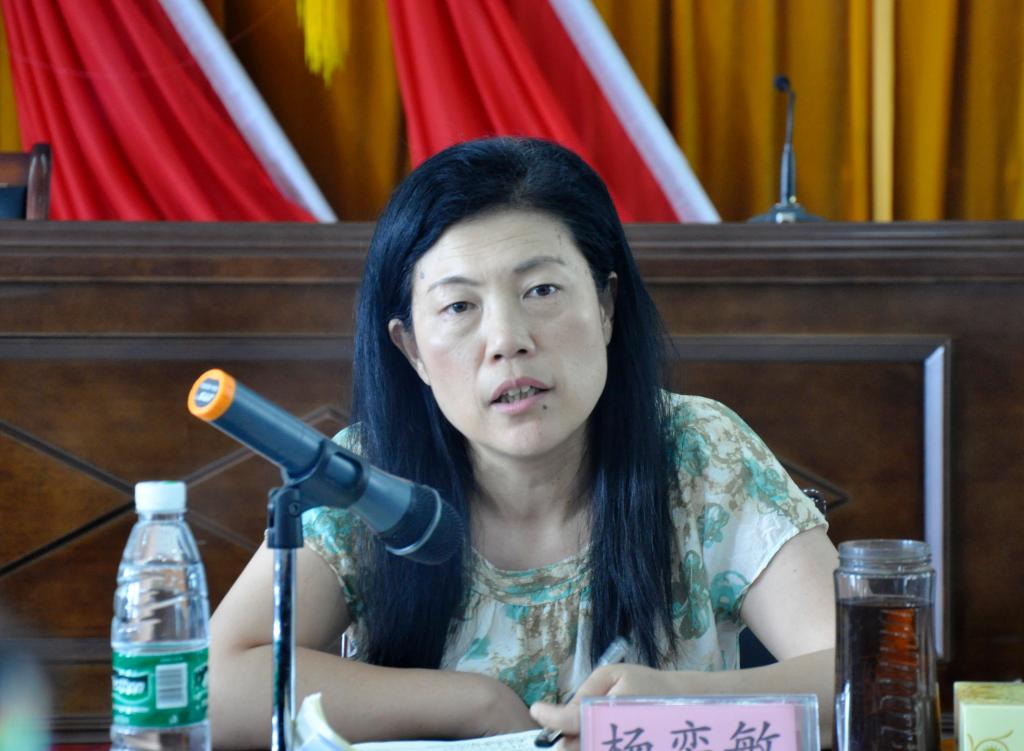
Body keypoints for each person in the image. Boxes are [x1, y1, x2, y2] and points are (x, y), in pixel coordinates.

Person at [209, 137, 838, 750]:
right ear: (412, 350)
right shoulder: (366, 476)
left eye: (542, 291)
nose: (507, 340)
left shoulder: (702, 451)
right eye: (459, 306)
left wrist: (673, 706)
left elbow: (862, 667)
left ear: (606, 306)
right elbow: (210, 685)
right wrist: (469, 704)